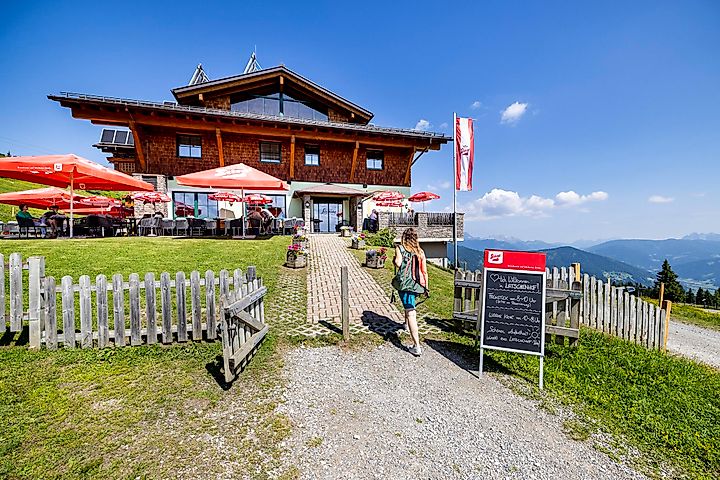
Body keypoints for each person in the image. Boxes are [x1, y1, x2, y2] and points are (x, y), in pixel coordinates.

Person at [392, 228, 429, 356]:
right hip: (417, 285)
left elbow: (398, 263)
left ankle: (416, 346)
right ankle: (405, 324)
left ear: (404, 237)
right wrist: (426, 287)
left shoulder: (400, 248)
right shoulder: (420, 251)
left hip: (405, 284)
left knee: (411, 312)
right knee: (409, 305)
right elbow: (424, 271)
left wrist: (394, 259)